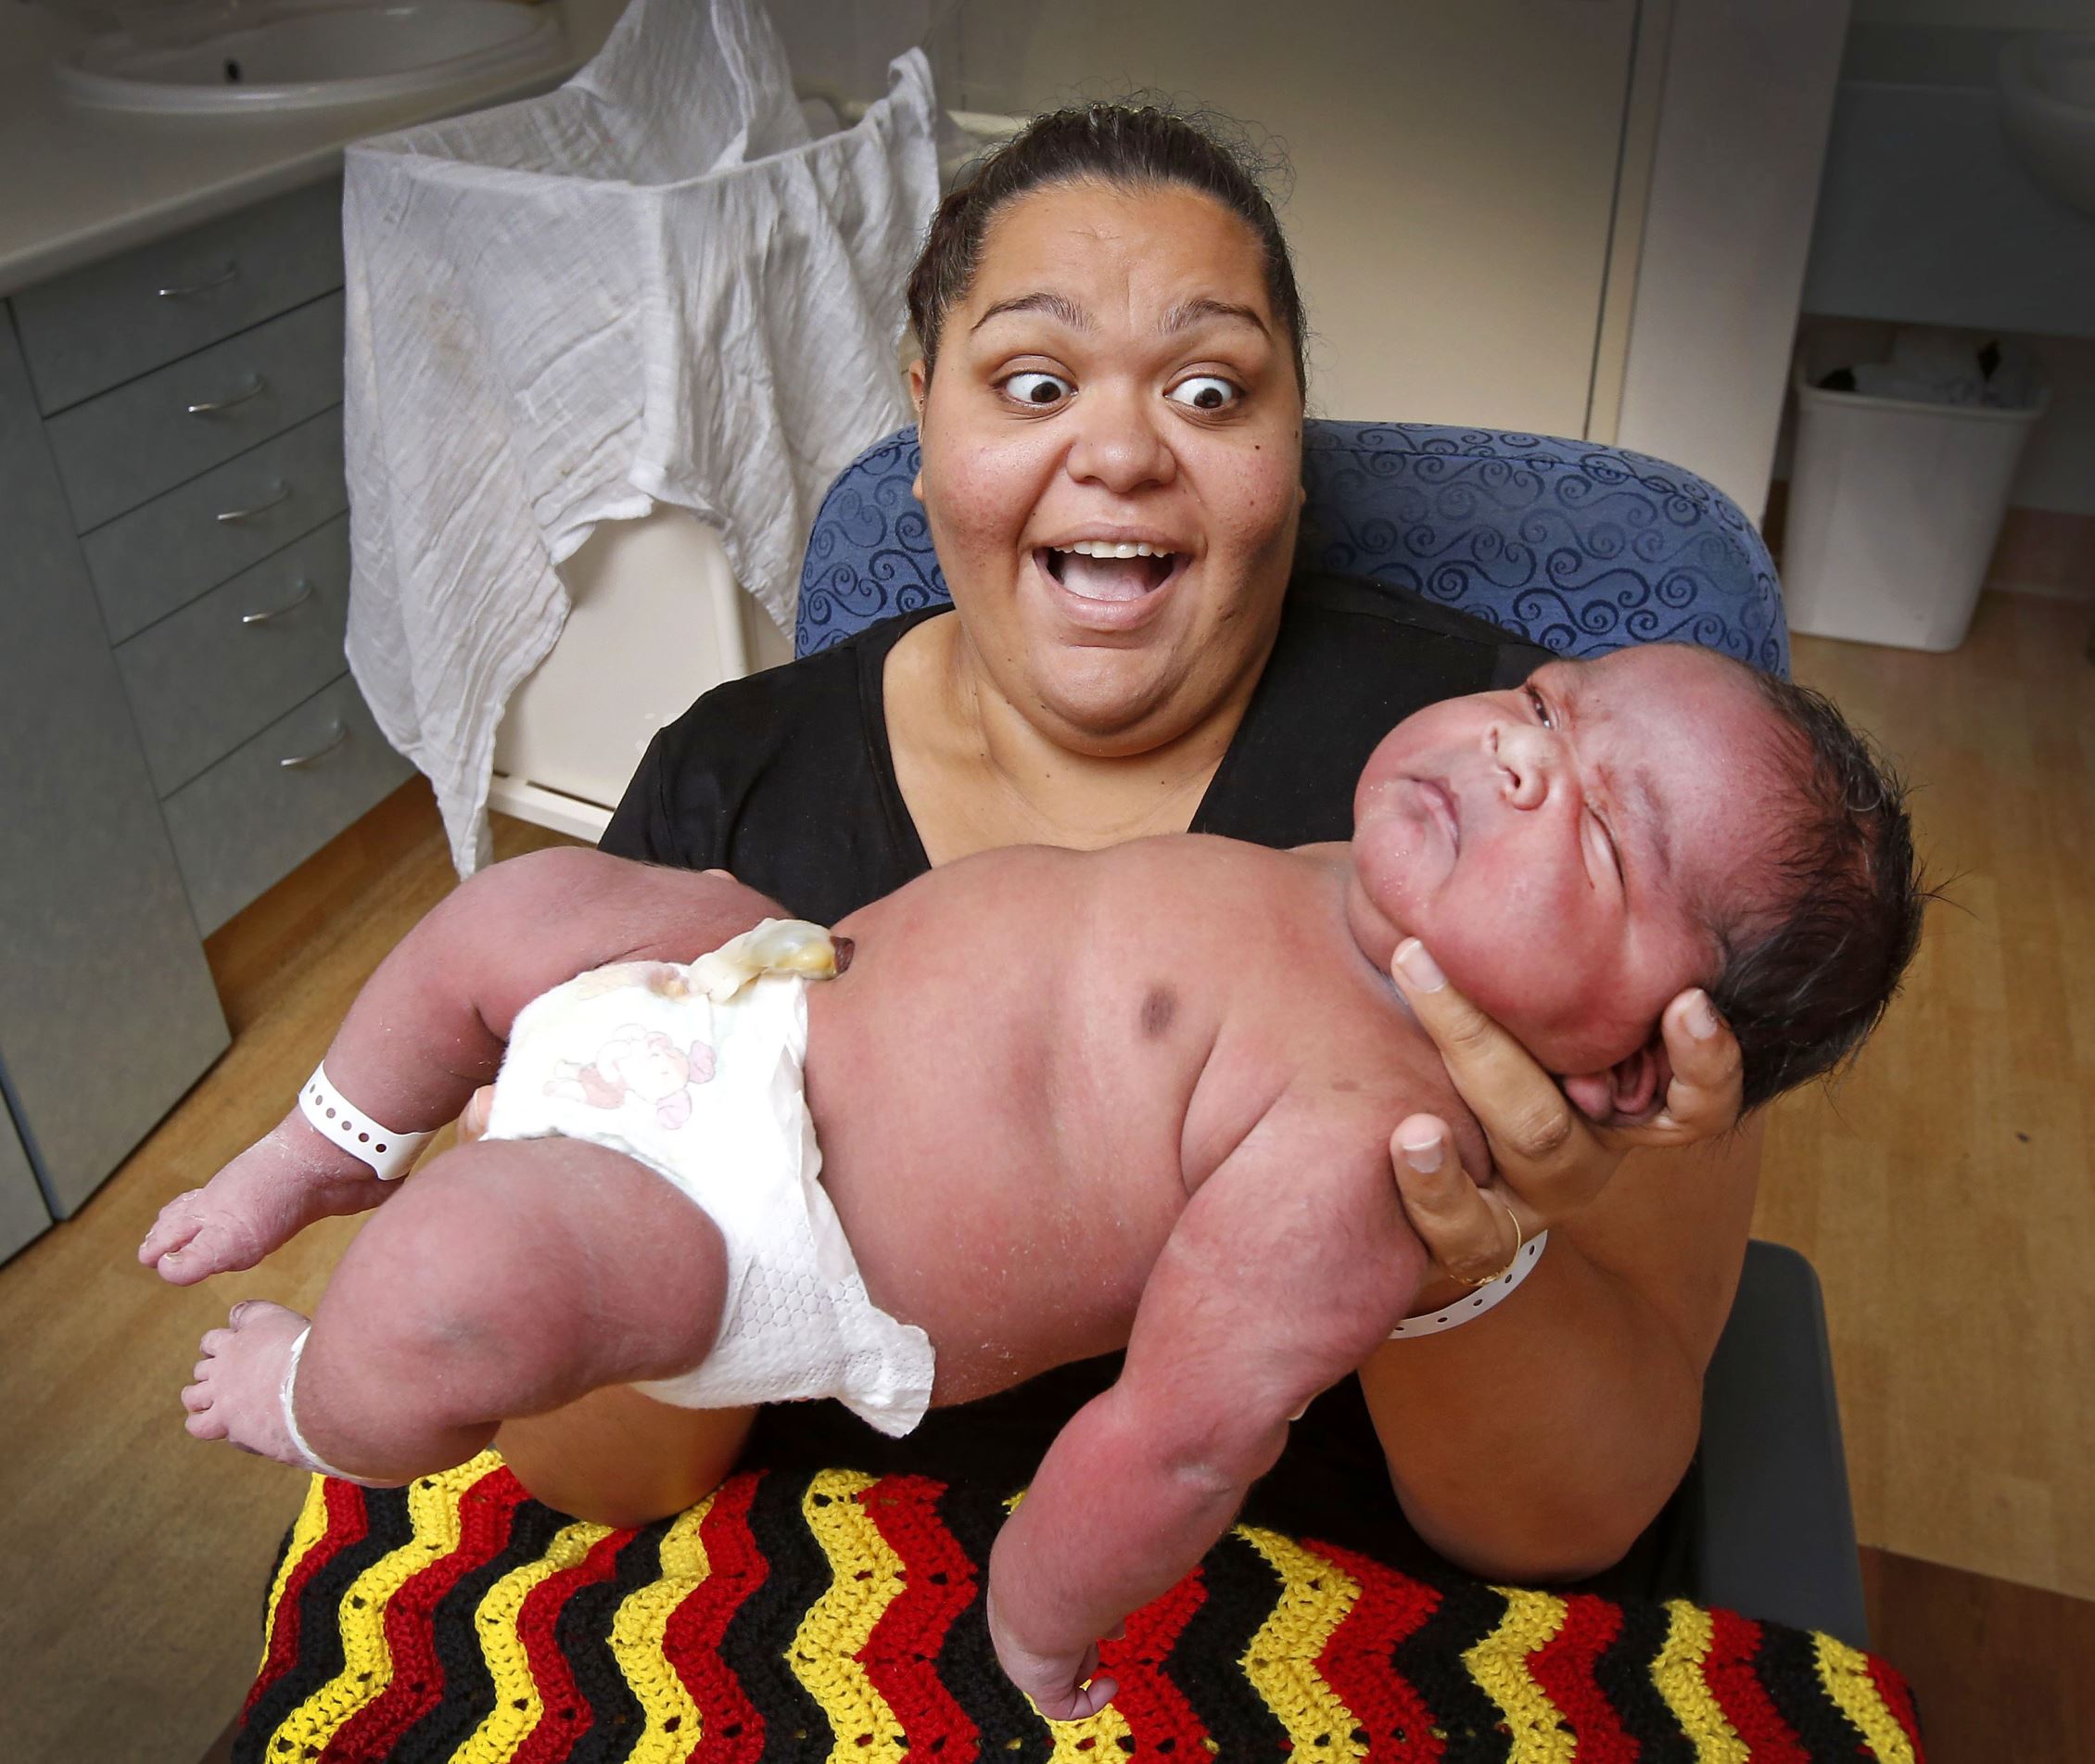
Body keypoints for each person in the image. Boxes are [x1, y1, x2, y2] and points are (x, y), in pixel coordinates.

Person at [317, 102, 1765, 1590]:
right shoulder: (731, 782)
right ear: (924, 416)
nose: (1124, 451)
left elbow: (1569, 1525)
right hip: (810, 1596)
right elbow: (604, 1482)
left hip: (1322, 1622)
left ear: (1294, 446)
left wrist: (1464, 1262)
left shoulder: (1537, 812)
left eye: (1212, 392)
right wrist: (613, 1181)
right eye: (1031, 381)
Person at [150, 641, 1917, 1720]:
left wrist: (1042, 1618)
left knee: (463, 1282)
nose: (1521, 751)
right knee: (511, 910)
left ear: (1627, 1070)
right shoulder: (1348, 880)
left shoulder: (1374, 1147)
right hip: (751, 984)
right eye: (1544, 701)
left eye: (1602, 833)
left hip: (755, 1232)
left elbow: (1182, 1431)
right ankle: (321, 1148)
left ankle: (320, 1396)